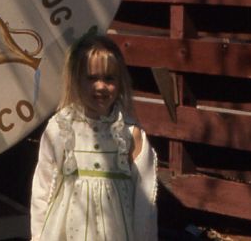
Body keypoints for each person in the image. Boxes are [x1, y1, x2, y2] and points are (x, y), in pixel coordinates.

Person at [30, 32, 158, 241]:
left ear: (120, 81)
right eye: (91, 78)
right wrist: (37, 236)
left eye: (109, 78)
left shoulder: (129, 133)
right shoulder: (61, 128)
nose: (100, 86)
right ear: (76, 80)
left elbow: (145, 199)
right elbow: (42, 188)